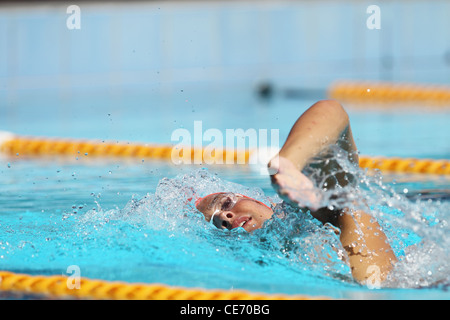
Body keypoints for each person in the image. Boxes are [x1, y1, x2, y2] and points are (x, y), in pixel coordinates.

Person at [195, 100, 397, 285]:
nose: (224, 217)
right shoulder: (268, 264)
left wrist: (288, 164)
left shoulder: (306, 209)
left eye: (225, 204)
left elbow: (332, 111)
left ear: (256, 200)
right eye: (215, 223)